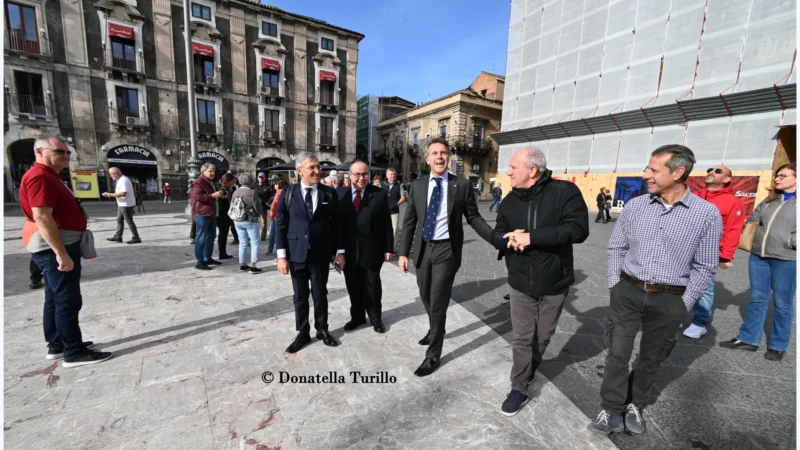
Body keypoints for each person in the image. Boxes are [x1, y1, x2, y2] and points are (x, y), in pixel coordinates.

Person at [588, 145, 721, 436]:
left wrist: (684, 303)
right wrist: (615, 285)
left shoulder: (707, 214)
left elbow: (706, 265)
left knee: (651, 358)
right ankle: (610, 410)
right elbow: (616, 247)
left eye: (653, 170)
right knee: (617, 354)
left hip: (671, 298)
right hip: (628, 291)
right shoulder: (636, 206)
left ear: (678, 172)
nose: (646, 174)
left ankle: (636, 404)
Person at [489, 148, 589, 416]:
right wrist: (507, 238)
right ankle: (519, 387)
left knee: (542, 336)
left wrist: (533, 237)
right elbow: (498, 232)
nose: (508, 172)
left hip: (555, 281)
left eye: (512, 167)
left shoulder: (565, 192)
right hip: (520, 281)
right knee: (522, 337)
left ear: (532, 170)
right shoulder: (509, 201)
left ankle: (529, 367)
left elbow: (579, 230)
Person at [398, 137, 493, 377]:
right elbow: (409, 223)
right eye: (435, 153)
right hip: (423, 249)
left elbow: (473, 217)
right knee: (424, 294)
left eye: (444, 153)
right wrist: (402, 253)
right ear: (428, 159)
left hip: (447, 250)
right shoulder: (417, 186)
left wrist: (495, 237)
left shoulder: (460, 185)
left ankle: (433, 356)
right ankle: (434, 328)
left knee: (438, 300)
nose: (440, 157)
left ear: (448, 158)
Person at [21, 135, 112, 367]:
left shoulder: (50, 176)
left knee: (54, 297)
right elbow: (42, 217)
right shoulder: (40, 177)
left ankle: (58, 344)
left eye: (67, 152)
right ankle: (73, 351)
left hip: (60, 244)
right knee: (67, 300)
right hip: (57, 247)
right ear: (40, 152)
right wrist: (61, 253)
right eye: (60, 151)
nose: (66, 156)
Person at [721, 163, 796, 361]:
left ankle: (778, 345)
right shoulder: (770, 200)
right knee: (757, 299)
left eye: (783, 175)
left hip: (786, 259)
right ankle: (748, 339)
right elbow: (754, 219)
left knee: (782, 304)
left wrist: (791, 241)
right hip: (759, 257)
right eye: (777, 175)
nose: (777, 178)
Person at [276, 152, 344, 353]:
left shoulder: (328, 193)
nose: (317, 170)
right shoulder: (288, 193)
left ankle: (322, 329)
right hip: (296, 254)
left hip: (321, 255)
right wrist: (281, 256)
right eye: (312, 167)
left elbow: (336, 226)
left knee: (320, 294)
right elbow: (280, 225)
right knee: (300, 296)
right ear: (299, 171)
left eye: (318, 167)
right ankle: (302, 332)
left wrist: (339, 252)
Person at [683, 165, 746, 339]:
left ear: (727, 179)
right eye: (710, 169)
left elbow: (734, 229)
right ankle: (670, 314)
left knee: (704, 288)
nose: (711, 172)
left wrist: (726, 255)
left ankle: (700, 322)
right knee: (674, 281)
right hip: (682, 248)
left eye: (718, 171)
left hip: (708, 251)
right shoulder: (693, 197)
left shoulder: (733, 202)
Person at [338, 161, 394, 334]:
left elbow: (386, 224)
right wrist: (337, 251)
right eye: (357, 174)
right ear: (349, 175)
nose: (361, 178)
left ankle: (376, 318)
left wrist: (388, 248)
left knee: (372, 287)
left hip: (373, 250)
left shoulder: (379, 194)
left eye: (364, 174)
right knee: (353, 286)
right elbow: (335, 226)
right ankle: (357, 317)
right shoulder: (340, 194)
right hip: (349, 252)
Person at [191, 163, 226, 270]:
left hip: (211, 213)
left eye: (214, 171)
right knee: (201, 238)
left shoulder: (211, 182)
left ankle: (207, 258)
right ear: (203, 171)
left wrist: (220, 195)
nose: (212, 173)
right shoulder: (198, 182)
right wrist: (212, 195)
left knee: (211, 237)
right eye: (210, 171)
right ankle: (199, 261)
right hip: (202, 213)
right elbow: (197, 197)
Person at [231, 172, 263, 274]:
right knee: (255, 242)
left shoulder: (235, 192)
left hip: (238, 220)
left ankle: (243, 264)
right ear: (250, 181)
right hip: (250, 220)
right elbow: (258, 208)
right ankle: (253, 265)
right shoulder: (252, 193)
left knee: (243, 243)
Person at [102, 167, 141, 244]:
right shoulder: (120, 180)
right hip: (122, 204)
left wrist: (109, 194)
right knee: (119, 219)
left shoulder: (124, 180)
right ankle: (118, 236)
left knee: (129, 221)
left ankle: (136, 238)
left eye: (111, 174)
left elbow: (123, 194)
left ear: (117, 173)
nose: (111, 176)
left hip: (126, 204)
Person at [383, 168, 407, 255]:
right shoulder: (382, 185)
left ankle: (393, 248)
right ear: (387, 175)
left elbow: (403, 198)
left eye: (394, 174)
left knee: (394, 229)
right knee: (383, 228)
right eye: (391, 174)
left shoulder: (399, 185)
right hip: (383, 211)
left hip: (394, 211)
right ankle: (384, 246)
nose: (393, 176)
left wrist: (396, 204)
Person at [216, 173, 236, 260]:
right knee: (223, 234)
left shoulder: (218, 186)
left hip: (221, 214)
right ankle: (222, 253)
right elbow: (224, 197)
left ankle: (222, 252)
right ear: (227, 182)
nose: (233, 183)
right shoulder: (223, 189)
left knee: (223, 234)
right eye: (232, 181)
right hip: (223, 214)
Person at [267, 177, 285, 256]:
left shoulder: (279, 193)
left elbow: (274, 205)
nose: (274, 185)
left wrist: (271, 215)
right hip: (280, 216)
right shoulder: (284, 191)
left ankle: (271, 250)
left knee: (274, 234)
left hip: (276, 216)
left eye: (275, 184)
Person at [254, 173, 271, 241]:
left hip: (263, 206)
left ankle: (263, 235)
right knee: (254, 221)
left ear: (265, 178)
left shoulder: (268, 186)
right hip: (255, 206)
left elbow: (268, 195)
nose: (261, 178)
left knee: (263, 222)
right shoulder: (254, 185)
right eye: (259, 177)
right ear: (257, 178)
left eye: (262, 177)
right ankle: (254, 234)